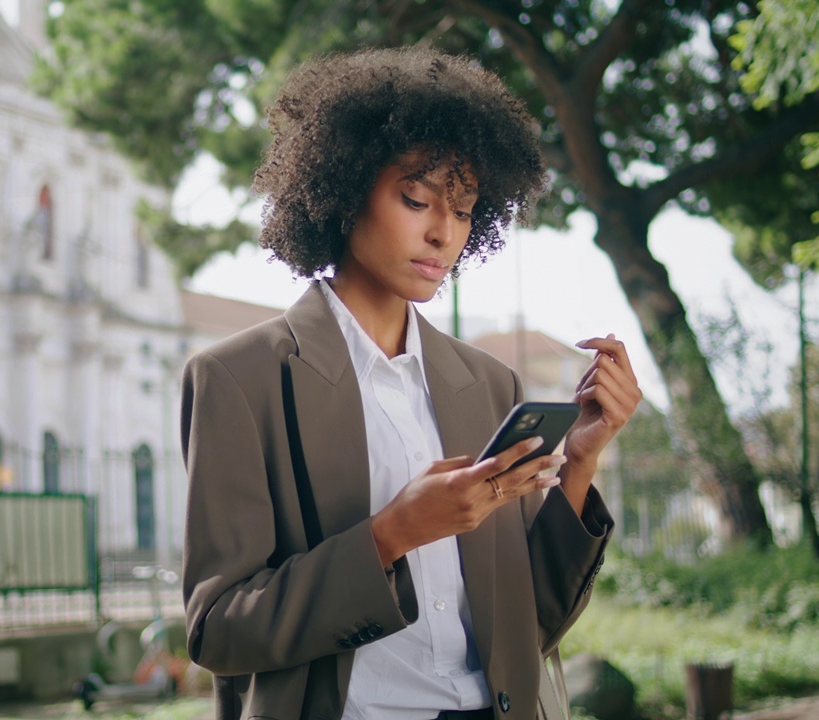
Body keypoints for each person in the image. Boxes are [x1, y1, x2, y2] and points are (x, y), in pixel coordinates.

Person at [179, 47, 642, 720]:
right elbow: (218, 630)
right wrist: (390, 535)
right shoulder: (238, 379)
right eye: (416, 199)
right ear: (343, 186)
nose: (442, 235)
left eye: (463, 211)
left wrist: (580, 463)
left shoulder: (487, 384)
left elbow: (530, 627)